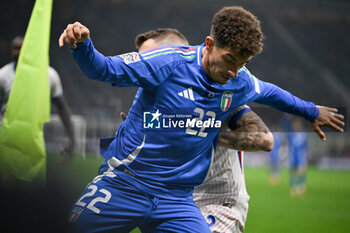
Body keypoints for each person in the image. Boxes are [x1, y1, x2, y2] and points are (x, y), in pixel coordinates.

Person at [59, 6, 344, 233]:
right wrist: (83, 46)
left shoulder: (238, 80)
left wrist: (310, 111)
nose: (235, 72)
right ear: (209, 44)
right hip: (124, 184)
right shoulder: (168, 62)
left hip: (176, 200)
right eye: (230, 60)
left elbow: (271, 93)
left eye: (243, 64)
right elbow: (104, 69)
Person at [97, 28, 274, 233]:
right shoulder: (159, 97)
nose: (147, 66)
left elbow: (265, 139)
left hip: (217, 203)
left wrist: (203, 131)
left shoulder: (223, 91)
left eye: (151, 57)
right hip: (171, 199)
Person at [0, 36, 75, 162]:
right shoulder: (3, 76)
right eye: (16, 48)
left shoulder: (49, 75)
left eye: (23, 47)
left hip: (35, 143)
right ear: (11, 51)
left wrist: (72, 139)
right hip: (6, 141)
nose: (19, 51)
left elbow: (62, 106)